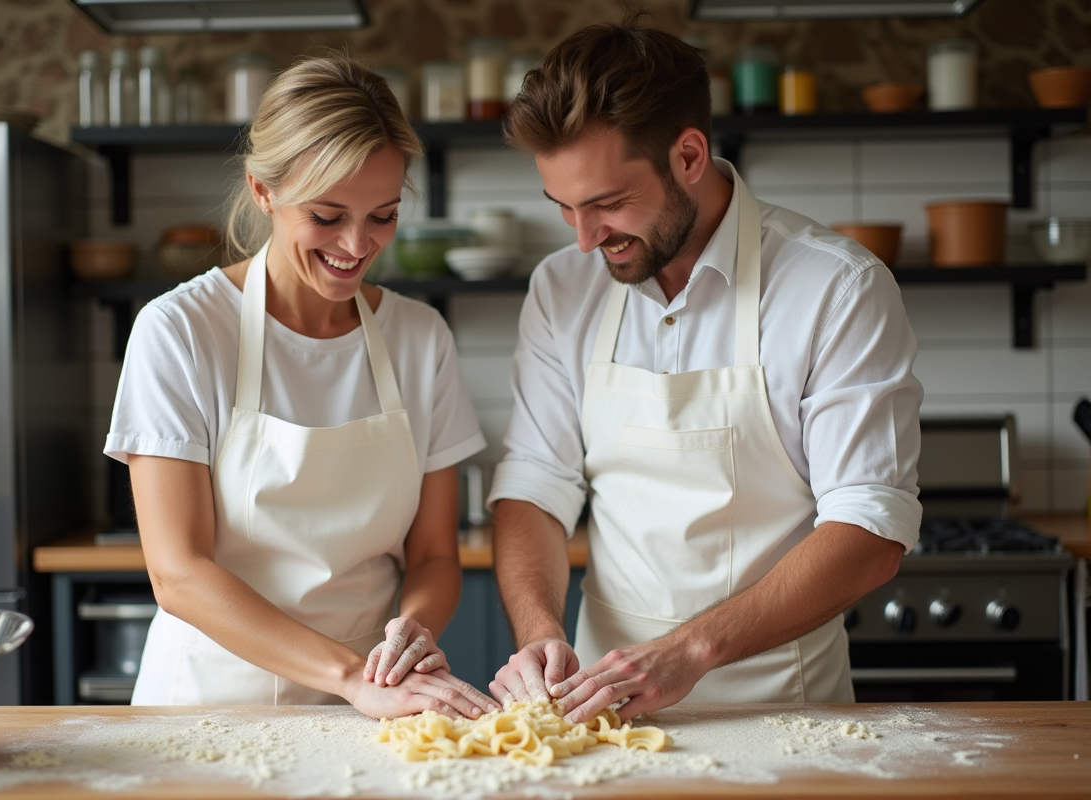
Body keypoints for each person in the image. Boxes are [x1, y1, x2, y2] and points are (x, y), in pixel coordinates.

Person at [486, 15, 924, 723]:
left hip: (787, 715)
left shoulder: (835, 288)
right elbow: (536, 484)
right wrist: (540, 631)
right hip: (602, 708)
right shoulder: (563, 288)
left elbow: (870, 529)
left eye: (607, 204)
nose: (585, 238)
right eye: (563, 208)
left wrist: (688, 652)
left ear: (689, 155)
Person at [105, 54, 497, 719]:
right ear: (263, 191)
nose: (356, 244)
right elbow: (179, 573)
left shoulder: (419, 338)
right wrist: (351, 676)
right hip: (210, 706)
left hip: (374, 703)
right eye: (326, 215)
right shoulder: (180, 330)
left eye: (383, 215)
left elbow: (433, 553)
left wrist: (413, 633)